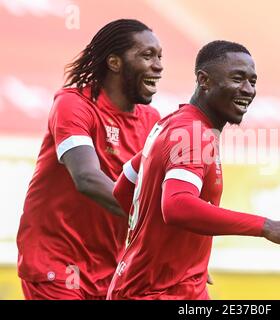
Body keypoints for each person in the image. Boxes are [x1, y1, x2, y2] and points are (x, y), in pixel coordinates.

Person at [107, 40, 280, 300]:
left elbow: (123, 188)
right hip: (157, 293)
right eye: (237, 78)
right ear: (204, 80)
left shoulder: (171, 125)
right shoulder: (193, 133)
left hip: (170, 286)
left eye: (252, 81)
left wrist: (184, 259)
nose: (248, 90)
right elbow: (176, 205)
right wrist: (265, 226)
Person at [16, 19, 163, 300]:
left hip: (113, 268)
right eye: (147, 55)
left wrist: (177, 249)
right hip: (57, 264)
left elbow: (160, 195)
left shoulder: (153, 122)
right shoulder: (74, 104)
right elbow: (86, 178)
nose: (158, 65)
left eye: (159, 57)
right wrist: (151, 220)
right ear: (114, 62)